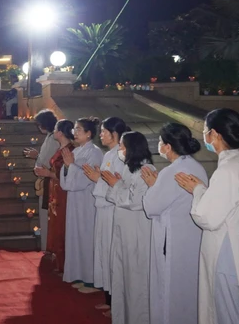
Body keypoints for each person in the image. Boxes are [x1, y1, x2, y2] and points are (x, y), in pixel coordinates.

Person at [175, 108, 239, 324]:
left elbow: (207, 217)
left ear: (215, 134)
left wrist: (197, 190)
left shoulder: (228, 170)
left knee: (227, 313)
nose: (204, 136)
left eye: (205, 131)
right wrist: (203, 189)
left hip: (227, 252)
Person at [142, 123, 207, 324]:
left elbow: (151, 207)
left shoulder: (173, 171)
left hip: (172, 241)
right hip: (192, 237)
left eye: (161, 142)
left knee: (170, 291)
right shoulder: (197, 167)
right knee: (189, 289)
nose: (159, 145)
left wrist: (152, 186)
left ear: (168, 146)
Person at [101, 132, 154, 323]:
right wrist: (117, 185)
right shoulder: (128, 168)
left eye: (122, 147)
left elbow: (136, 201)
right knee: (122, 275)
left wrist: (116, 185)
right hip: (123, 229)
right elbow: (113, 195)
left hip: (136, 231)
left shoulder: (146, 170)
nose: (120, 151)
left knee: (136, 278)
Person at [82, 117, 129, 311]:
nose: (100, 135)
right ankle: (109, 298)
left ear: (114, 134)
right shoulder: (109, 154)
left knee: (112, 255)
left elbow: (117, 184)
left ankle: (115, 303)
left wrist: (97, 179)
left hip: (112, 210)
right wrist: (98, 179)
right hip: (103, 209)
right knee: (104, 252)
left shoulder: (120, 155)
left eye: (103, 131)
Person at [61, 116, 103, 289]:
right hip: (75, 201)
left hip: (87, 201)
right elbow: (68, 179)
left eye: (79, 129)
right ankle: (78, 273)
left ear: (88, 133)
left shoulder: (94, 152)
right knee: (76, 236)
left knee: (87, 237)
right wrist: (66, 166)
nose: (74, 132)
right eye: (75, 129)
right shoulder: (77, 151)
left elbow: (85, 178)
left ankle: (91, 278)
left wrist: (71, 166)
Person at [33, 119, 75, 272]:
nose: (54, 132)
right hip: (54, 189)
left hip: (62, 190)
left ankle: (64, 263)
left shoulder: (69, 150)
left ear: (61, 133)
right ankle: (57, 258)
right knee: (54, 222)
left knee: (61, 224)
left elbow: (69, 175)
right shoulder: (61, 149)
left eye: (57, 129)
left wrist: (48, 173)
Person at [26, 109, 59, 252]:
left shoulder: (53, 139)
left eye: (40, 124)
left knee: (48, 216)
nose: (39, 127)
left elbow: (48, 161)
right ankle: (47, 247)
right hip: (45, 179)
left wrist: (36, 156)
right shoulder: (49, 137)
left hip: (50, 180)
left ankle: (49, 248)